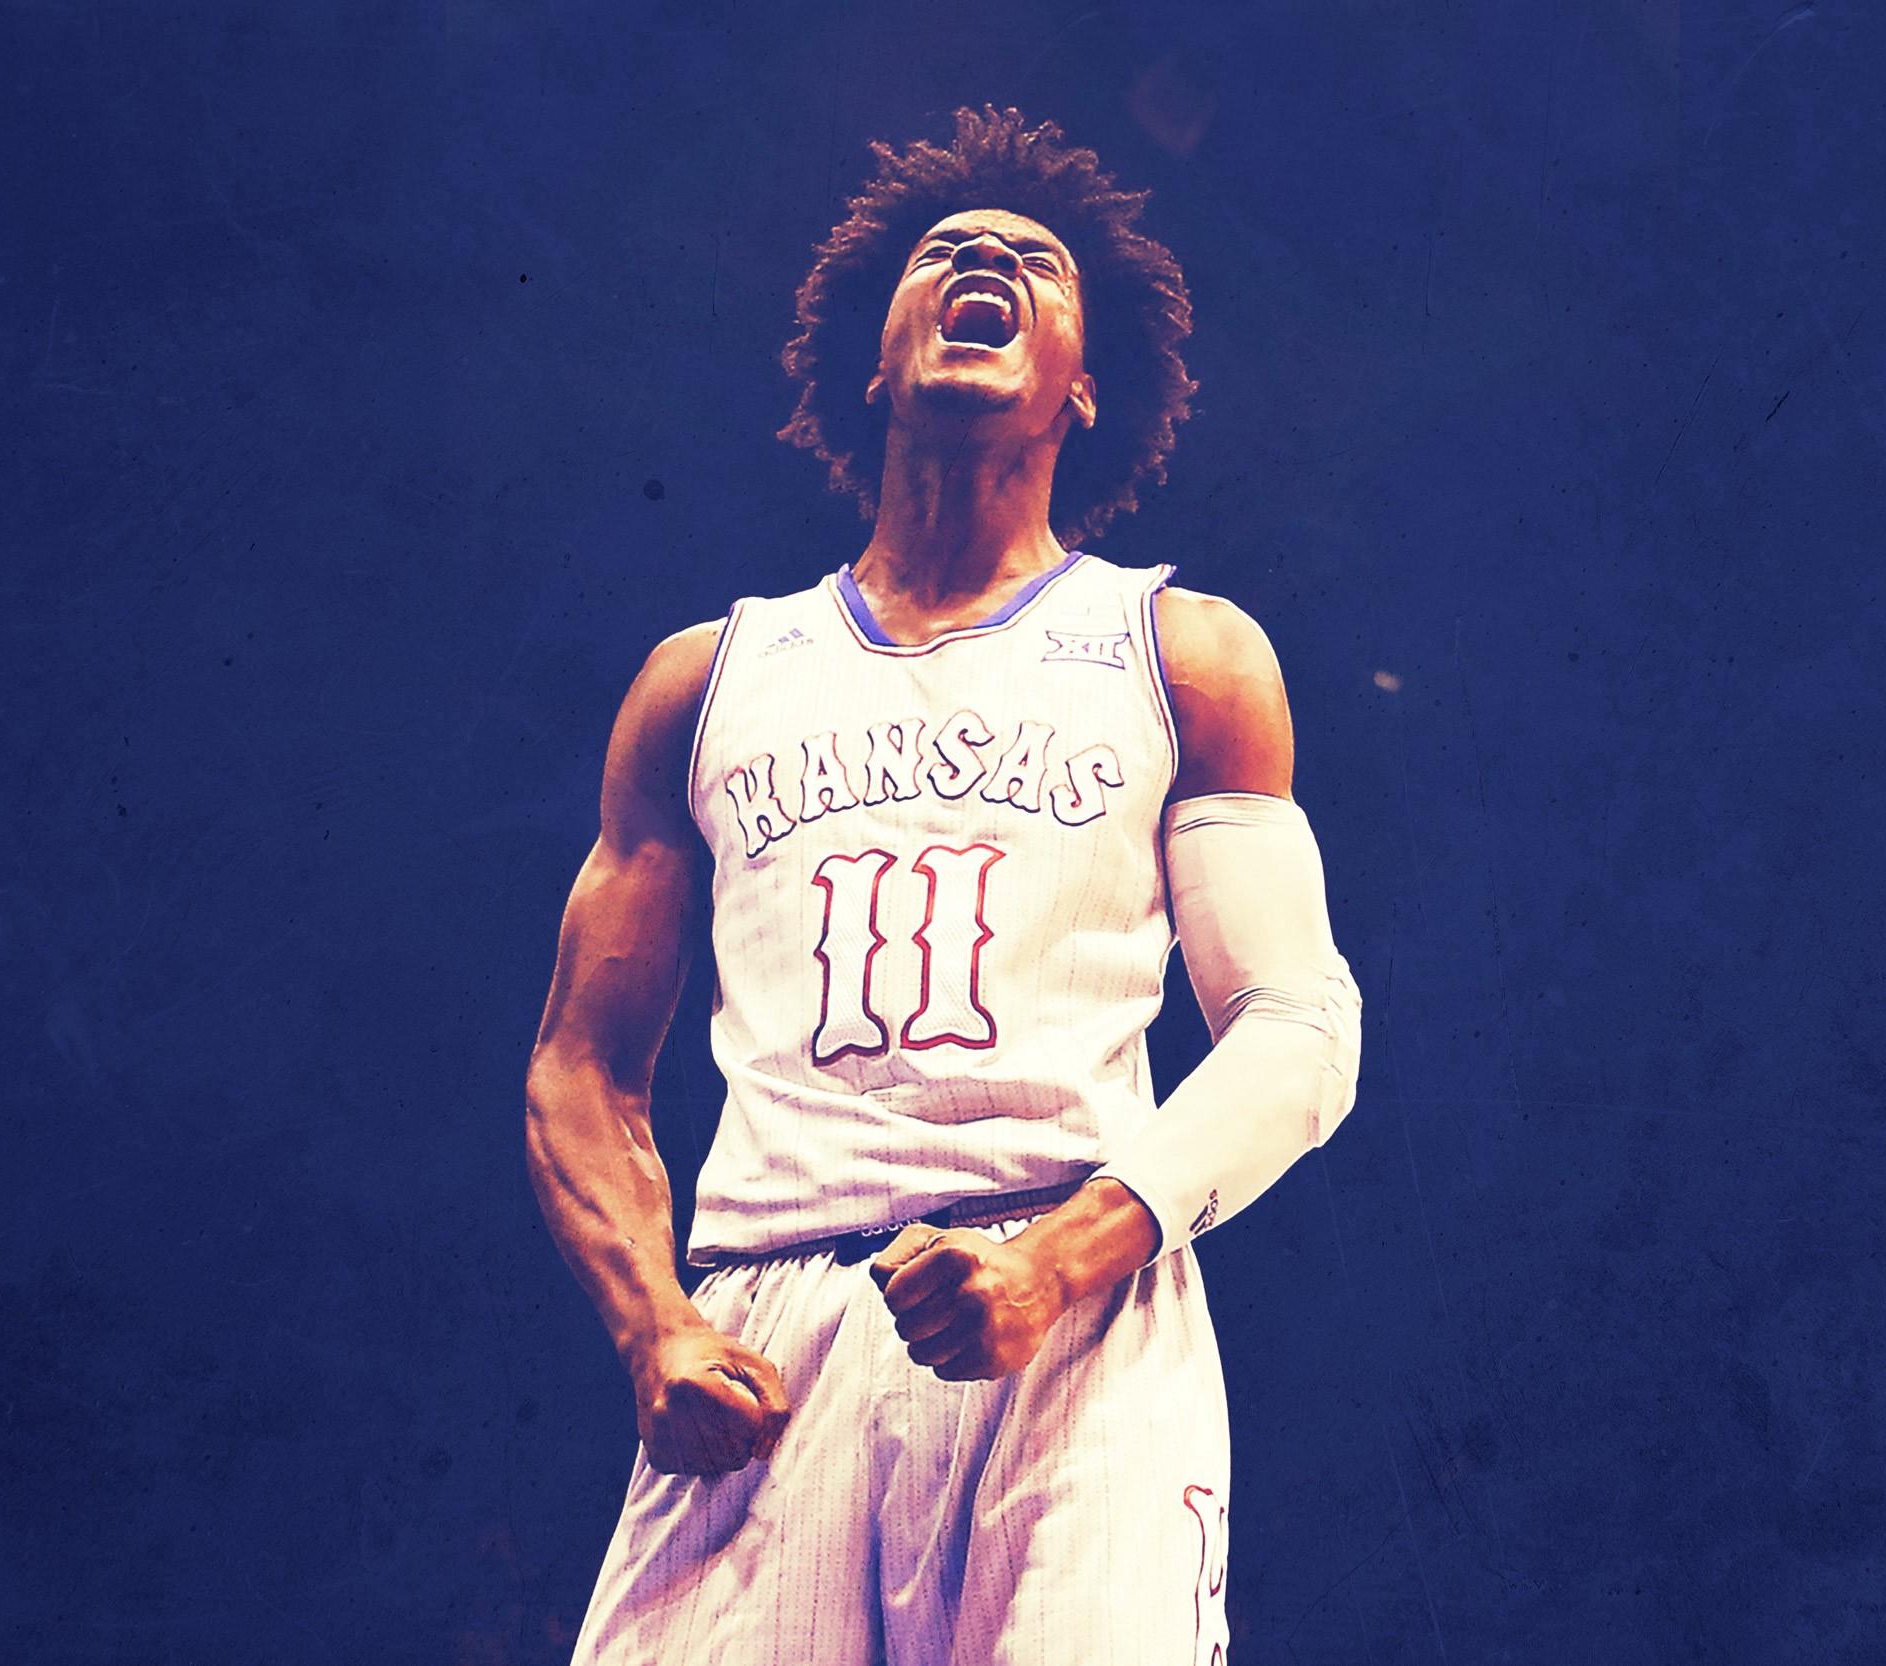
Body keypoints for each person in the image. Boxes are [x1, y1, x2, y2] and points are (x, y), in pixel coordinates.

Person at [524, 105, 1362, 1665]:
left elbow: (1302, 1027)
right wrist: (651, 1326)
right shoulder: (706, 682)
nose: (985, 255)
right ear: (873, 359)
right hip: (763, 1337)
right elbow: (580, 1065)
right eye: (946, 249)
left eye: (1036, 260)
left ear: (1086, 381)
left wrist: (1058, 1259)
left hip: (1074, 1308)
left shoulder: (1182, 652)